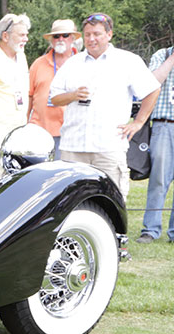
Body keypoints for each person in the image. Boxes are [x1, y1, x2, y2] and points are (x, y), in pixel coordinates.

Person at [49, 13, 160, 197]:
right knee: (72, 202)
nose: (91, 39)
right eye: (87, 35)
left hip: (109, 147)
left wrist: (138, 122)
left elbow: (152, 90)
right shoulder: (72, 63)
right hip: (73, 148)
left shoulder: (127, 61)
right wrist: (73, 95)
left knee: (111, 200)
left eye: (97, 34)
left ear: (109, 34)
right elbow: (55, 98)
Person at [139, 45, 174, 243]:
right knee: (159, 180)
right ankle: (150, 230)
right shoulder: (162, 54)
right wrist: (172, 59)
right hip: (164, 125)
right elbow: (151, 82)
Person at [27, 19, 78, 155]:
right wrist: (25, 125)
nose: (60, 39)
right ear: (51, 39)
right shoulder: (38, 64)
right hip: (40, 132)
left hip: (72, 133)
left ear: (73, 38)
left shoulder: (82, 63)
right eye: (56, 36)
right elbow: (29, 97)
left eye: (65, 35)